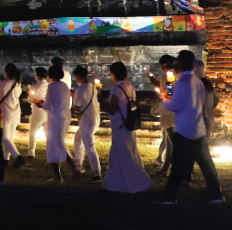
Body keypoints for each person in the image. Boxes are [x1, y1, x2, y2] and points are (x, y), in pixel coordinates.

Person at [152, 50, 223, 205]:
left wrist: (163, 98)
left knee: (178, 164)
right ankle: (216, 194)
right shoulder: (196, 80)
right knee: (206, 164)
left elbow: (175, 106)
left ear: (182, 63)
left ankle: (169, 197)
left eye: (177, 61)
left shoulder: (183, 82)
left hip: (185, 129)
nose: (174, 64)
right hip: (197, 127)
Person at [103, 62, 154, 193]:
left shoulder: (116, 89)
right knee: (129, 151)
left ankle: (128, 181)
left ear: (114, 74)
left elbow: (113, 109)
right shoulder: (129, 86)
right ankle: (129, 178)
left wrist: (102, 101)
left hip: (120, 124)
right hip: (128, 124)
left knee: (122, 154)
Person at [39, 65, 72, 182]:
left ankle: (71, 167)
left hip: (56, 118)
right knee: (59, 142)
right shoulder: (64, 86)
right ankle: (64, 171)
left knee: (54, 145)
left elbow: (48, 104)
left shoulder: (52, 86)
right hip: (65, 116)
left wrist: (40, 103)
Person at [71, 65, 102, 181]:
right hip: (94, 119)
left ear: (78, 76)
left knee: (90, 147)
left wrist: (76, 111)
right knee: (78, 139)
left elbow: (76, 106)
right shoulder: (92, 87)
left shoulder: (79, 89)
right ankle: (78, 164)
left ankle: (97, 173)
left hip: (86, 121)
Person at [152, 55, 177, 177]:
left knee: (173, 142)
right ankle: (166, 167)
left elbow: (170, 94)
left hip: (169, 112)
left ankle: (178, 169)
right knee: (169, 141)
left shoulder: (169, 77)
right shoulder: (174, 76)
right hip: (171, 111)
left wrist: (162, 95)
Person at [0, 63, 26, 168]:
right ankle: (6, 159)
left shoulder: (2, 84)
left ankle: (18, 157)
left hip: (5, 112)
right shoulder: (17, 84)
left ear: (6, 72)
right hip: (15, 112)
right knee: (9, 137)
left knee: (4, 137)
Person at [27, 67, 49, 158]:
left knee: (33, 132)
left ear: (37, 76)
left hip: (37, 112)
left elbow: (30, 99)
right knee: (48, 134)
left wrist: (29, 93)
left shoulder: (35, 87)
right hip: (47, 111)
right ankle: (51, 151)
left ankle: (31, 153)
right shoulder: (49, 85)